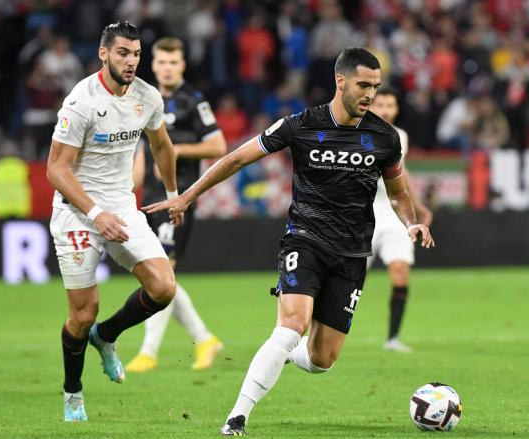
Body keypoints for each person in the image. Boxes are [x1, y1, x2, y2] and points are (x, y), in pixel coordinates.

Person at [144, 47, 434, 436]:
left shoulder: (384, 137)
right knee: (291, 325)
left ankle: (280, 356)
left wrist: (411, 222)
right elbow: (235, 159)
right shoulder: (300, 125)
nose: (370, 94)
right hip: (305, 241)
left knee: (321, 359)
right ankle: (237, 417)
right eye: (363, 85)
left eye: (376, 86)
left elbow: (397, 192)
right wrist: (186, 196)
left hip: (351, 255)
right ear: (341, 81)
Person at [46, 21, 182, 422]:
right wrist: (95, 214)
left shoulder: (147, 96)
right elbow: (56, 169)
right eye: (123, 53)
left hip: (122, 209)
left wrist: (175, 196)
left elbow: (162, 146)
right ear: (104, 53)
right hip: (77, 211)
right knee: (82, 314)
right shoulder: (80, 101)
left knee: (163, 287)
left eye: (137, 54)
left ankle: (106, 337)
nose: (131, 61)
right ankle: (73, 393)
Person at [126, 37, 227, 373]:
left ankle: (149, 352)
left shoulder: (193, 101)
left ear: (182, 65)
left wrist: (176, 151)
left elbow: (218, 144)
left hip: (179, 198)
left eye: (174, 62)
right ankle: (205, 339)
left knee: (161, 272)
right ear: (152, 65)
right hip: (150, 200)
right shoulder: (144, 99)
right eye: (162, 62)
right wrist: (128, 187)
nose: (167, 68)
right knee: (160, 276)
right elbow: (141, 150)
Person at [366, 88, 433, 353]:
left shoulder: (399, 136)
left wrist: (417, 206)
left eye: (389, 105)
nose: (384, 109)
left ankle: (392, 338)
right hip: (362, 214)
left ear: (396, 109)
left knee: (400, 272)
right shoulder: (357, 134)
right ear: (370, 107)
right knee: (348, 280)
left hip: (393, 215)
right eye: (379, 104)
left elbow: (401, 175)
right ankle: (317, 335)